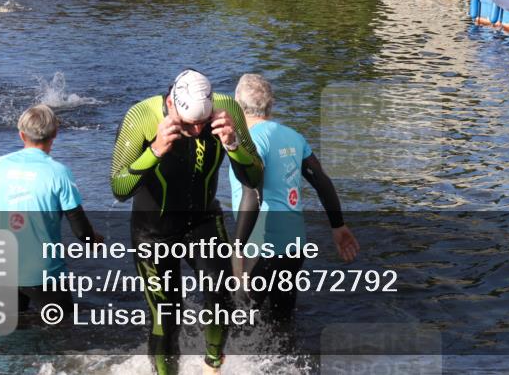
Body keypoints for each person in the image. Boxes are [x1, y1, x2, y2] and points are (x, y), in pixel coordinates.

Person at [110, 69, 263, 375]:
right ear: (171, 103)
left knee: (221, 291)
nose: (195, 130)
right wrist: (153, 152)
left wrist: (233, 144)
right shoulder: (141, 117)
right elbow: (119, 188)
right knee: (166, 316)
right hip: (154, 231)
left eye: (202, 123)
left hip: (202, 219)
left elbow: (255, 177)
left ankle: (213, 364)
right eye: (188, 122)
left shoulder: (227, 109)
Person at [230, 74, 359, 339]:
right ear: (271, 105)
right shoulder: (293, 136)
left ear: (236, 107)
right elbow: (321, 180)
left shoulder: (249, 141)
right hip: (293, 247)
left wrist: (238, 249)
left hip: (260, 244)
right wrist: (338, 225)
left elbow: (253, 194)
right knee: (282, 322)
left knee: (241, 321)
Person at [0, 104, 103, 319]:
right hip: (45, 272)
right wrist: (95, 241)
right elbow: (81, 231)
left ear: (21, 135)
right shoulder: (59, 173)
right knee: (61, 334)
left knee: (10, 333)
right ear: (55, 133)